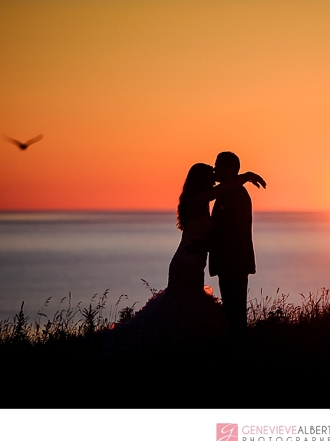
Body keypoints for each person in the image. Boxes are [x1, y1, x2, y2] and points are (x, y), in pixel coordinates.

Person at [104, 162, 265, 352]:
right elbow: (223, 189)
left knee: (188, 302)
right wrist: (246, 175)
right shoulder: (197, 200)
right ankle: (178, 343)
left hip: (195, 260)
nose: (214, 178)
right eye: (210, 175)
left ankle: (184, 343)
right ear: (201, 180)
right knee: (184, 302)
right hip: (187, 260)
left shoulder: (201, 201)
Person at [209, 151, 262, 341]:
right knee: (232, 309)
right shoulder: (226, 192)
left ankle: (239, 350)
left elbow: (233, 228)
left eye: (219, 165)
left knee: (235, 310)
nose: (215, 169)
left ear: (231, 169)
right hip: (229, 262)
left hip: (234, 261)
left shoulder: (235, 193)